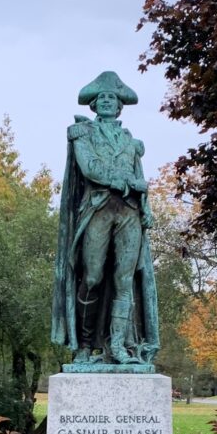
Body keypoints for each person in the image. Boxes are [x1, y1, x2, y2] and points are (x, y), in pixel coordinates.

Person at [51, 71, 159, 366]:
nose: (108, 102)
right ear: (94, 105)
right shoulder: (82, 134)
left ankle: (119, 348)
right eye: (103, 98)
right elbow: (90, 169)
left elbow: (141, 178)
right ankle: (84, 346)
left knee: (124, 279)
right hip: (97, 209)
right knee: (93, 277)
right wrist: (126, 181)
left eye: (113, 97)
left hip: (129, 213)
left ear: (120, 106)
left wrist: (145, 205)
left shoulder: (130, 141)